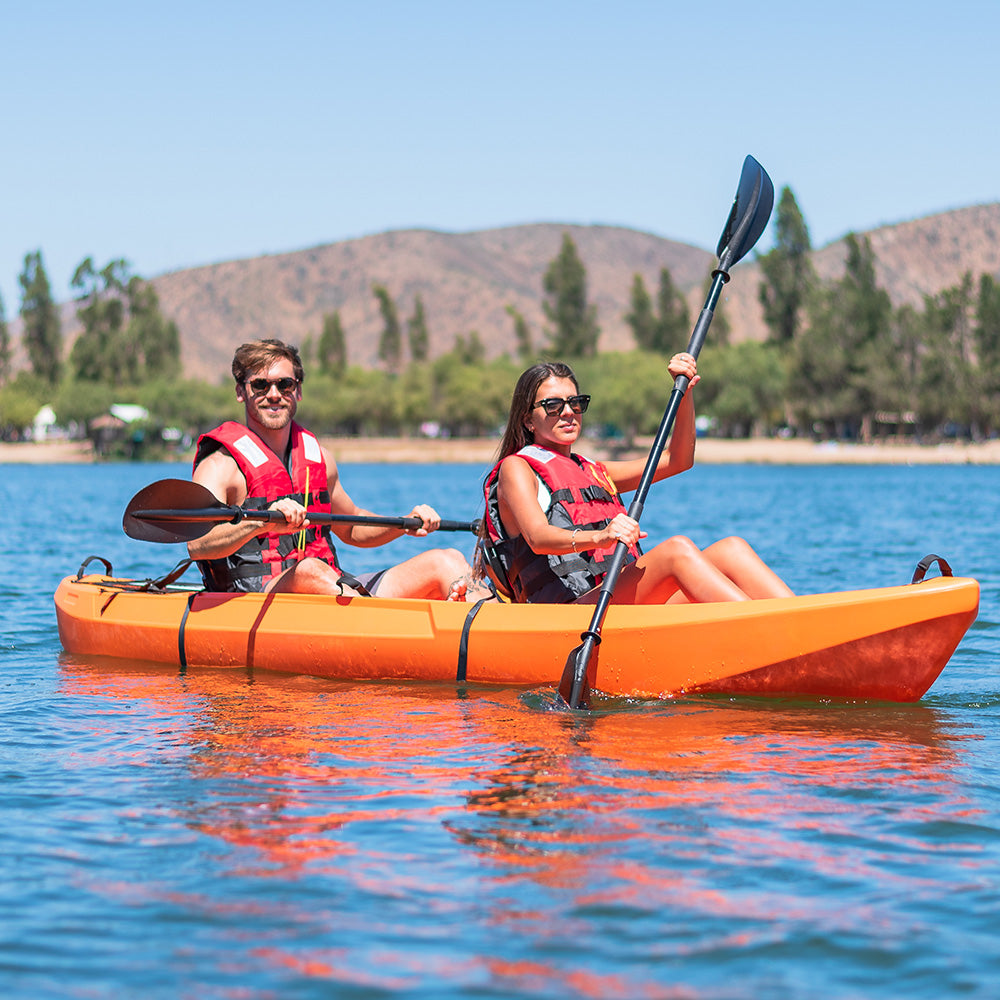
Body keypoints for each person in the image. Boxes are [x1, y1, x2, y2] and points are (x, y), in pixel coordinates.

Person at [478, 355, 793, 605]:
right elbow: (537, 537)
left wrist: (685, 393)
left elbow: (677, 460)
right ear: (527, 419)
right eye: (553, 405)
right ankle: (769, 637)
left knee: (731, 550)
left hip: (614, 597)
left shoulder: (593, 470)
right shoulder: (517, 468)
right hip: (572, 614)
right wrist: (601, 537)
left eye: (576, 403)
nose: (568, 412)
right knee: (675, 552)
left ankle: (802, 626)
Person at [189, 338, 485, 600]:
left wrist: (404, 523)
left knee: (446, 560)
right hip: (256, 601)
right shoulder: (220, 466)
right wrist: (262, 523)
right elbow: (198, 544)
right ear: (241, 392)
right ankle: (381, 623)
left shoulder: (319, 459)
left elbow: (353, 526)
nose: (274, 394)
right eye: (261, 385)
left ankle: (493, 624)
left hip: (332, 589)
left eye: (285, 384)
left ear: (298, 391)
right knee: (308, 572)